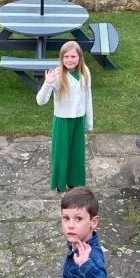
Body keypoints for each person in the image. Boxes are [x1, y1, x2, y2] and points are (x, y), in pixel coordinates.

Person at [36, 40, 93, 192]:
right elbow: (41, 101)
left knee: (77, 153)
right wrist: (47, 84)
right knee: (61, 154)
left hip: (78, 120)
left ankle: (74, 182)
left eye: (73, 56)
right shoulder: (57, 75)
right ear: (61, 58)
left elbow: (88, 98)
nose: (69, 60)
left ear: (79, 57)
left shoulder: (84, 73)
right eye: (66, 56)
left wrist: (89, 122)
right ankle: (60, 184)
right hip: (62, 121)